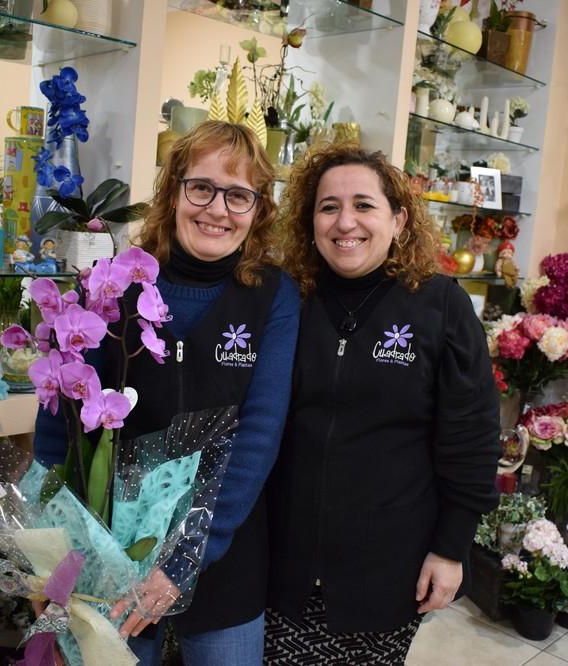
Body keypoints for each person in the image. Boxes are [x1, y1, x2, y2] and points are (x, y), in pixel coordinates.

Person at [265, 145, 500, 664]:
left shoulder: (441, 305)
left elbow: (473, 438)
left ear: (398, 219)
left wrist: (452, 548)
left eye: (364, 205)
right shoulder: (289, 299)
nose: (345, 221)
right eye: (328, 206)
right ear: (310, 221)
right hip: (285, 563)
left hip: (389, 567)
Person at [84, 120, 299, 664]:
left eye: (238, 195)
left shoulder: (274, 296)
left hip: (226, 554)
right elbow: (63, 418)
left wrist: (184, 559)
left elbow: (258, 435)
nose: (217, 210)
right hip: (116, 550)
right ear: (173, 190)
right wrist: (66, 541)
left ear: (259, 208)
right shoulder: (115, 287)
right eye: (201, 187)